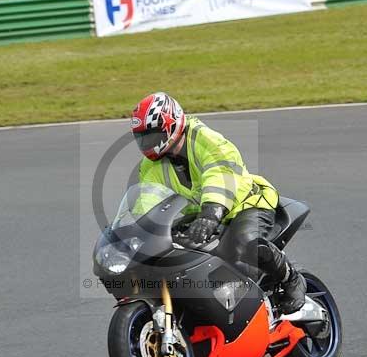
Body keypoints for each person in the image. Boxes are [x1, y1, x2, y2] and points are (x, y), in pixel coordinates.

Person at [130, 92, 306, 314]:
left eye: (152, 136)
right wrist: (137, 230)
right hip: (198, 217)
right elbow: (148, 199)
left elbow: (220, 171)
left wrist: (211, 212)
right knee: (173, 261)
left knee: (244, 242)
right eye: (142, 138)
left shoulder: (203, 138)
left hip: (244, 204)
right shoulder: (150, 166)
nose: (148, 144)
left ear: (171, 125)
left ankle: (291, 279)